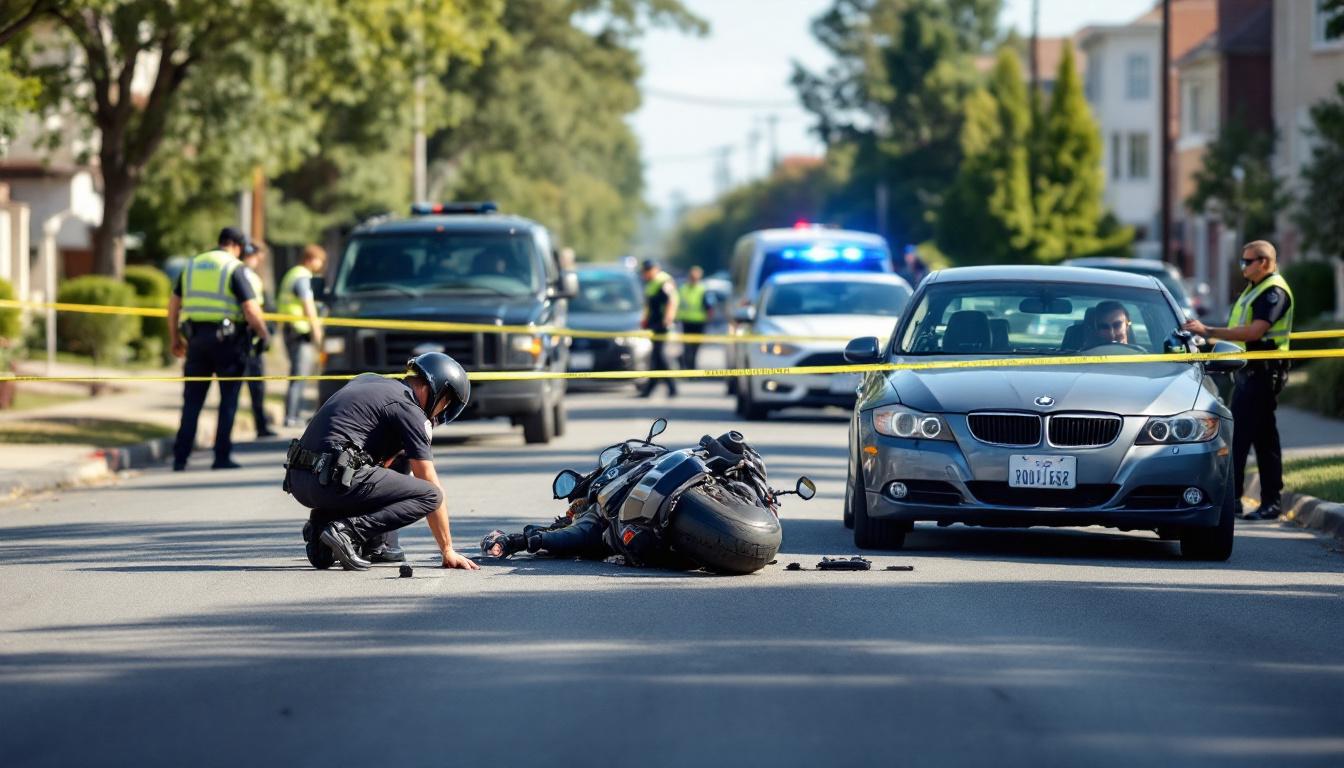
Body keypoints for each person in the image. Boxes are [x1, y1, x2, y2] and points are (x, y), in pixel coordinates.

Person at [287, 352, 479, 571]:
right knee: (431, 495)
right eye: (445, 404)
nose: (440, 413)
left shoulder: (369, 381)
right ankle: (347, 531)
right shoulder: (410, 408)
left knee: (396, 461)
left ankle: (325, 530)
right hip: (331, 481)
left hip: (301, 480)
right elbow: (428, 480)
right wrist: (448, 549)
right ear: (440, 393)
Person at [1182, 240, 1294, 521]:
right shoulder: (1255, 289)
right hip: (1250, 373)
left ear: (1264, 262)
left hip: (1263, 373)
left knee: (1250, 439)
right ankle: (1260, 500)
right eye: (1242, 261)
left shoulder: (1273, 292)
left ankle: (1248, 500)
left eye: (1248, 261)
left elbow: (1255, 331)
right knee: (1255, 438)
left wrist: (1208, 331)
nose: (1243, 266)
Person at [168, 227, 271, 471]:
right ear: (236, 245)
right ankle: (221, 456)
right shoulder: (234, 268)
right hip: (228, 344)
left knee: (192, 401)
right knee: (228, 401)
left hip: (195, 341)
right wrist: (263, 334)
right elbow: (250, 308)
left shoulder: (192, 265)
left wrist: (174, 338)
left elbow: (173, 306)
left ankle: (180, 458)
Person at [277, 244, 326, 428]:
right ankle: (291, 416)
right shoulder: (302, 277)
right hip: (300, 331)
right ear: (311, 259)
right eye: (320, 260)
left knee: (297, 374)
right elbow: (309, 309)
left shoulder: (292, 274)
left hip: (290, 329)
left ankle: (291, 414)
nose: (321, 265)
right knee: (299, 375)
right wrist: (318, 335)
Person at [240, 242, 277, 438]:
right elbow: (253, 308)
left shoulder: (238, 273)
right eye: (258, 257)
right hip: (250, 338)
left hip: (241, 337)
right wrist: (264, 333)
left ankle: (260, 424)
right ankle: (260, 426)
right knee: (256, 385)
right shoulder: (249, 276)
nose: (259, 261)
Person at [638, 259, 678, 398]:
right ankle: (655, 387)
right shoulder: (651, 283)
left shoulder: (664, 281)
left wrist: (668, 319)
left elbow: (671, 302)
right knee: (656, 356)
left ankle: (667, 387)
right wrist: (644, 320)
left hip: (662, 325)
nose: (645, 274)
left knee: (659, 356)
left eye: (647, 271)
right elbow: (649, 305)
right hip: (653, 324)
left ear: (654, 269)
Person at [677, 265, 713, 370]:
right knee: (688, 347)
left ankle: (689, 367)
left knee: (695, 348)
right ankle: (690, 369)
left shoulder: (703, 290)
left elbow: (709, 306)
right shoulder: (683, 289)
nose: (694, 279)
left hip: (699, 322)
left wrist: (708, 318)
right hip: (686, 321)